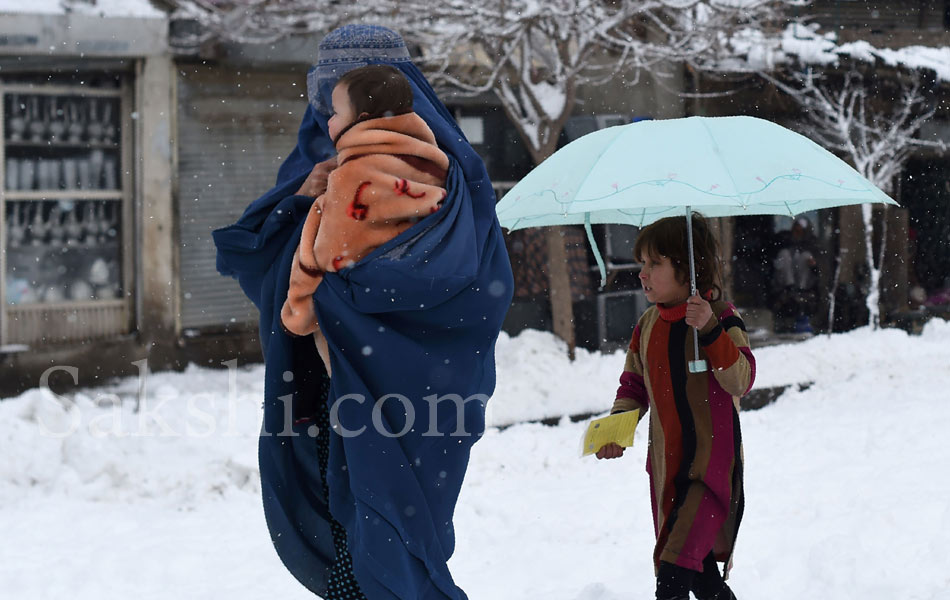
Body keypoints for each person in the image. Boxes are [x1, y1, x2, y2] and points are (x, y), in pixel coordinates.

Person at [213, 25, 513, 600]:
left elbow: (475, 283)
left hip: (413, 387)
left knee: (394, 530)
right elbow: (257, 257)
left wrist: (345, 293)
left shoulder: (451, 169)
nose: (328, 109)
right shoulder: (318, 161)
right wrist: (304, 201)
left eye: (340, 93)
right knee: (340, 517)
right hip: (323, 382)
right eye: (324, 92)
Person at [596, 215, 755, 600]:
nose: (642, 274)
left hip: (709, 473)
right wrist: (617, 431)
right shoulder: (648, 325)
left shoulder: (721, 317)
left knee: (671, 576)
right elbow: (634, 386)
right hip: (667, 470)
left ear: (689, 270)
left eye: (654, 264)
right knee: (701, 577)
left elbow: (741, 379)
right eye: (641, 264)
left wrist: (710, 331)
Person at [280, 64, 449, 373]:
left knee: (359, 410)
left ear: (360, 121)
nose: (329, 121)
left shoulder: (352, 176)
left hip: (357, 325)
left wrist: (299, 312)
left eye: (335, 113)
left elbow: (329, 253)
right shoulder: (435, 166)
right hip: (418, 318)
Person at [771, 217, 819, 333]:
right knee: (784, 254)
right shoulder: (783, 240)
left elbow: (818, 269)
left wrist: (813, 265)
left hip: (804, 283)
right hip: (784, 281)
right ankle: (790, 286)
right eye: (796, 230)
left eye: (800, 231)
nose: (797, 233)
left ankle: (798, 290)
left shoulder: (811, 244)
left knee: (805, 256)